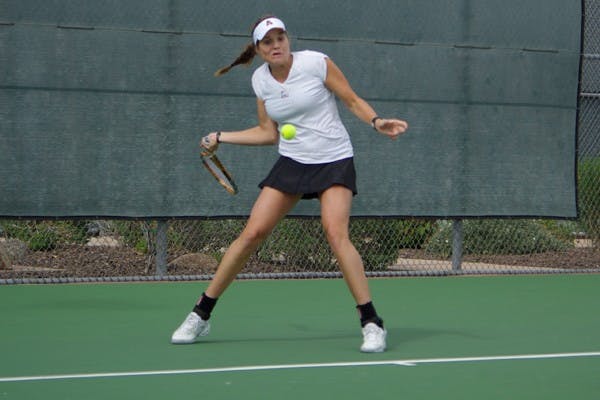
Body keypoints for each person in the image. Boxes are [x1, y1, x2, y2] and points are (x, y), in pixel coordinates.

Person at [171, 15, 408, 353]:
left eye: (280, 37)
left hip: (333, 158)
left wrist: (376, 121)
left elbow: (352, 100)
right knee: (251, 234)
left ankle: (371, 323)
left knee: (335, 234)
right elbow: (268, 133)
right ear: (258, 49)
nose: (276, 45)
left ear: (288, 40)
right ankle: (201, 314)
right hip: (293, 161)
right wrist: (221, 136)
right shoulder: (261, 82)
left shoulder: (316, 63)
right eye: (268, 41)